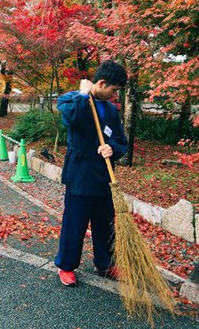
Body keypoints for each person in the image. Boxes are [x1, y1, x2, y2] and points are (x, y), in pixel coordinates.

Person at [54, 60, 129, 286]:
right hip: (79, 175)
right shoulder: (71, 99)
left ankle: (104, 263)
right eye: (114, 90)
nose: (115, 95)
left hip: (104, 177)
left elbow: (120, 141)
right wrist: (82, 95)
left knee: (105, 223)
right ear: (102, 83)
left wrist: (112, 148)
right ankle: (66, 266)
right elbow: (71, 118)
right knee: (74, 223)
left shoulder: (110, 110)